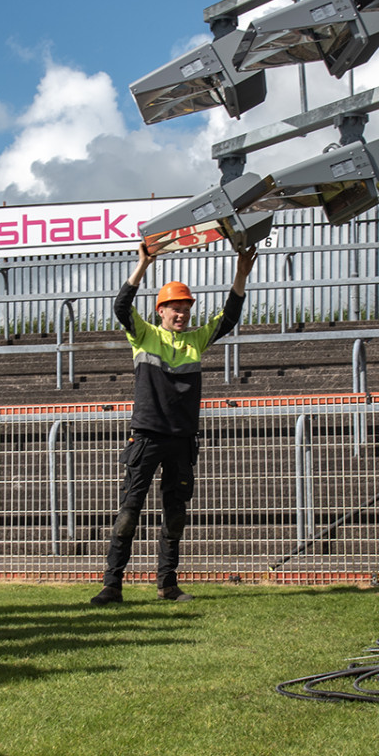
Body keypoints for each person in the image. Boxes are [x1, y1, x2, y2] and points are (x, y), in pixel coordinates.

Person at [92, 240, 256, 606]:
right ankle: (111, 585)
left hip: (182, 439)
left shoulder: (197, 340)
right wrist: (142, 266)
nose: (181, 314)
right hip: (147, 437)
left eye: (186, 309)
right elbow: (121, 307)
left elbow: (228, 319)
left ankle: (167, 585)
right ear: (160, 310)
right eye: (174, 309)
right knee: (128, 514)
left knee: (175, 516)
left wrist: (241, 274)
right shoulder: (144, 334)